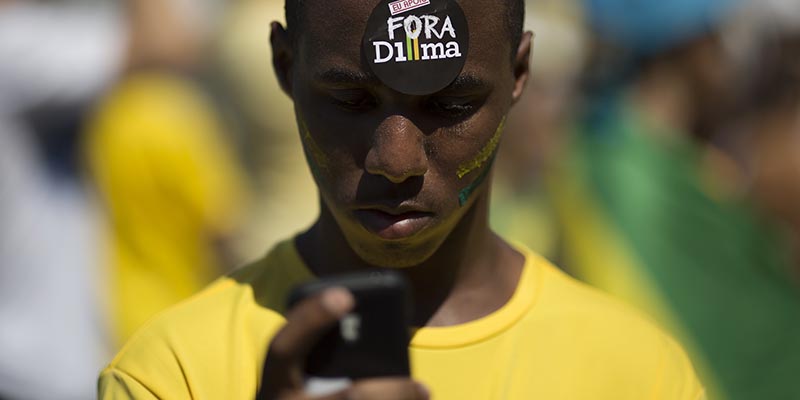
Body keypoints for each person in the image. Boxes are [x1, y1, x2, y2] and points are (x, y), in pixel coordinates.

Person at [98, 0, 705, 399]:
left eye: (449, 106)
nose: (395, 161)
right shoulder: (173, 374)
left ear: (518, 76)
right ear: (286, 66)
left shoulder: (638, 374)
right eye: (351, 100)